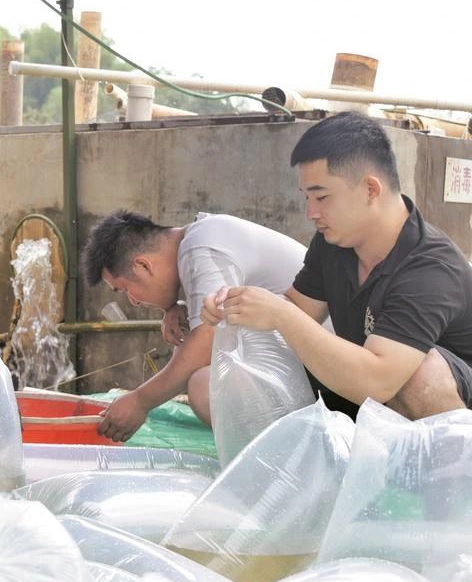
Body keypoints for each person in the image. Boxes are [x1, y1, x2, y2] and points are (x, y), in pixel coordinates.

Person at [202, 112, 472, 419]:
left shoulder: (430, 268)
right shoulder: (335, 242)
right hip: (369, 401)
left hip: (440, 417)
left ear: (371, 189)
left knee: (419, 376)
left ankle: (445, 467)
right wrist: (238, 304)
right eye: (306, 198)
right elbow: (297, 307)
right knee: (207, 385)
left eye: (322, 197)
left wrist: (282, 315)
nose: (311, 213)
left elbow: (380, 380)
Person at [82, 209, 308, 442]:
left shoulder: (203, 248)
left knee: (205, 385)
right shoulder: (201, 238)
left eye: (125, 289)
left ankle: (283, 457)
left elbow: (207, 340)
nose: (134, 301)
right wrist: (175, 306)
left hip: (324, 377)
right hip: (307, 367)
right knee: (191, 343)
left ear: (143, 266)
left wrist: (141, 400)